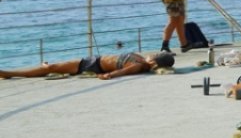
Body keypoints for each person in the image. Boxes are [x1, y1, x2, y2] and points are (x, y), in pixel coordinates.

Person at [0, 51, 175, 80]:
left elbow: (122, 71)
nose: (152, 54)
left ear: (153, 61)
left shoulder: (138, 64)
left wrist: (108, 76)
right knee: (52, 67)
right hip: (93, 62)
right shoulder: (140, 60)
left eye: (154, 55)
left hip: (90, 64)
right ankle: (44, 66)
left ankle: (10, 73)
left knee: (51, 68)